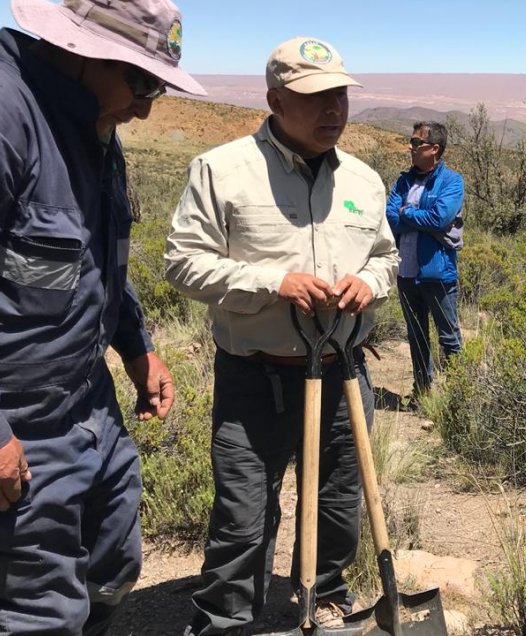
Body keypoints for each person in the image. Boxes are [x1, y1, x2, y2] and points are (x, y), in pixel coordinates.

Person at [0, 0, 203, 633]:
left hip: (90, 406)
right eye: (141, 81)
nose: (145, 106)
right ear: (81, 50)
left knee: (112, 568)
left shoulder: (91, 124)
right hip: (12, 426)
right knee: (35, 617)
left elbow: (98, 256)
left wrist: (137, 346)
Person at [165, 36, 398, 635]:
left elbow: (386, 258)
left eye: (340, 95)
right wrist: (273, 282)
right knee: (244, 511)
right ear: (274, 99)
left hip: (345, 369)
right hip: (255, 374)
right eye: (316, 98)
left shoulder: (366, 180)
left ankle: (324, 595)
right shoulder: (222, 170)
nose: (334, 110)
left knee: (341, 498)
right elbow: (182, 263)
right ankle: (225, 618)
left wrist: (370, 283)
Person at [386, 121, 465, 405]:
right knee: (416, 336)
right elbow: (389, 216)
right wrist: (414, 215)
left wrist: (407, 212)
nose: (411, 147)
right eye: (412, 142)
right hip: (406, 272)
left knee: (449, 338)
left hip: (438, 272)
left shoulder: (452, 182)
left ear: (434, 149)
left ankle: (460, 398)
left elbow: (440, 218)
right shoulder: (403, 180)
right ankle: (423, 394)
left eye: (416, 143)